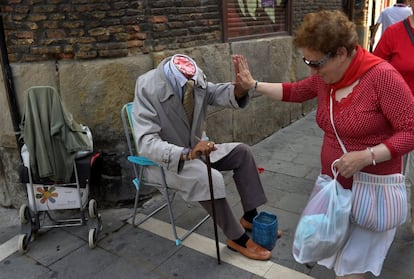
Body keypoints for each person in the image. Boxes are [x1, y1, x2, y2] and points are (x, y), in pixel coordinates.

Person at [235, 10, 414, 278]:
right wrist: (253, 85)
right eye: (307, 61)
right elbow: (295, 91)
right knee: (337, 256)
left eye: (316, 62)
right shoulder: (326, 78)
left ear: (341, 53)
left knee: (349, 267)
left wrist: (367, 156)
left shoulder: (382, 77)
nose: (312, 69)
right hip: (335, 189)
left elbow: (411, 129)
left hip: (372, 193)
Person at [132, 53, 281, 261]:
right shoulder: (147, 86)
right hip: (170, 161)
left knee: (242, 152)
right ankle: (236, 238)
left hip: (198, 150)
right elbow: (146, 142)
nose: (194, 84)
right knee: (209, 178)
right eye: (188, 83)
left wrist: (240, 89)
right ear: (174, 77)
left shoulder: (194, 76)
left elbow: (214, 93)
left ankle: (249, 217)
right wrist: (186, 153)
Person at [374, 0, 414, 234]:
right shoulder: (394, 33)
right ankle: (388, 214)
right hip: (397, 116)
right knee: (395, 171)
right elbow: (376, 69)